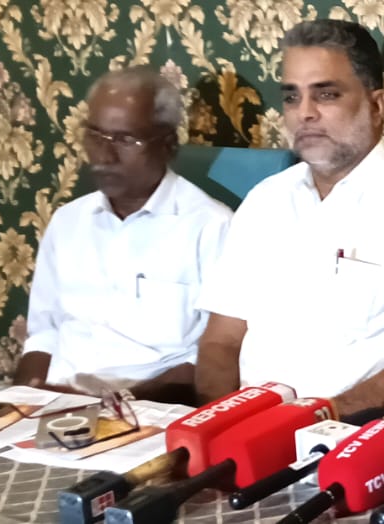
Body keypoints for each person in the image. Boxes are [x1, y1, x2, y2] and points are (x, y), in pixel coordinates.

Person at [195, 20, 384, 431]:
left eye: (326, 94)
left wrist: (304, 425)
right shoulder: (265, 200)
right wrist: (218, 425)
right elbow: (221, 339)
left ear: (378, 105)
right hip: (247, 435)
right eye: (292, 97)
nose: (305, 113)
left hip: (357, 440)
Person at [17, 67, 231, 403]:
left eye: (125, 140)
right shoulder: (67, 222)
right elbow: (44, 335)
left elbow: (211, 358)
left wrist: (118, 402)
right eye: (95, 136)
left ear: (168, 145)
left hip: (150, 409)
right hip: (58, 408)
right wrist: (23, 399)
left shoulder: (211, 227)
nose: (104, 156)